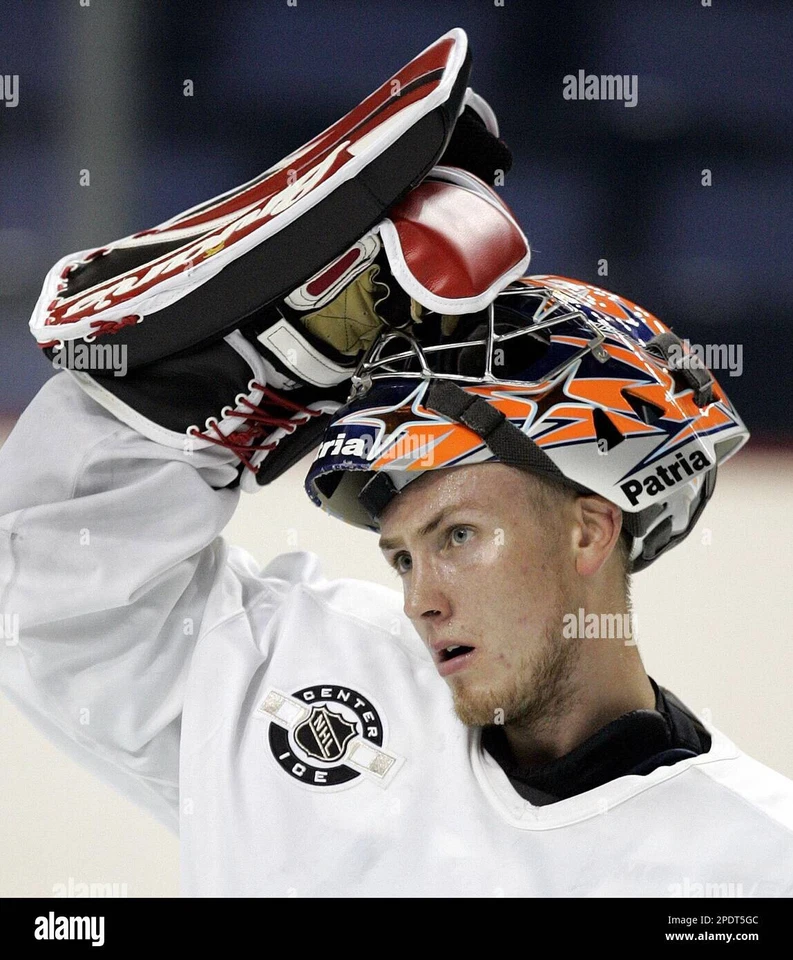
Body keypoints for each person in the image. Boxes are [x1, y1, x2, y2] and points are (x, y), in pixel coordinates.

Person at [3, 29, 793, 899]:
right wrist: (213, 380)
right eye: (403, 555)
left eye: (458, 534)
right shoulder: (305, 690)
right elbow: (58, 595)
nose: (422, 598)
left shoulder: (755, 866)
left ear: (588, 529)